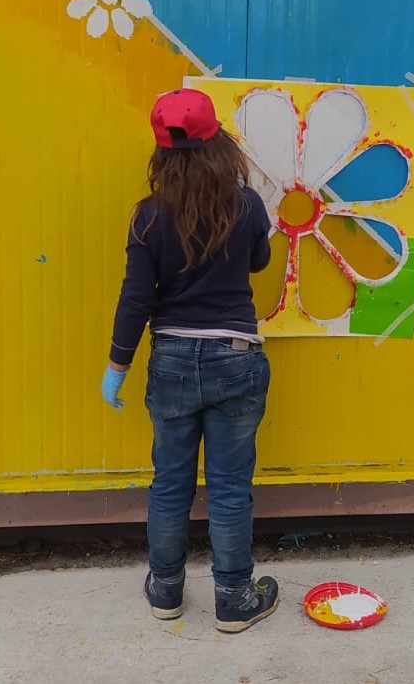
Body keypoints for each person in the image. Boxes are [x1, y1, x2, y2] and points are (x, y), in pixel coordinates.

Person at [101, 87, 279, 633]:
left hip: (173, 358)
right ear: (218, 141)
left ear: (161, 153)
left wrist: (117, 366)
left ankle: (166, 590)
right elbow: (259, 260)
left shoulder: (148, 218)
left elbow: (137, 299)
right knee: (229, 486)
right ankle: (233, 599)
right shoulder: (246, 204)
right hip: (236, 355)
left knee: (170, 483)